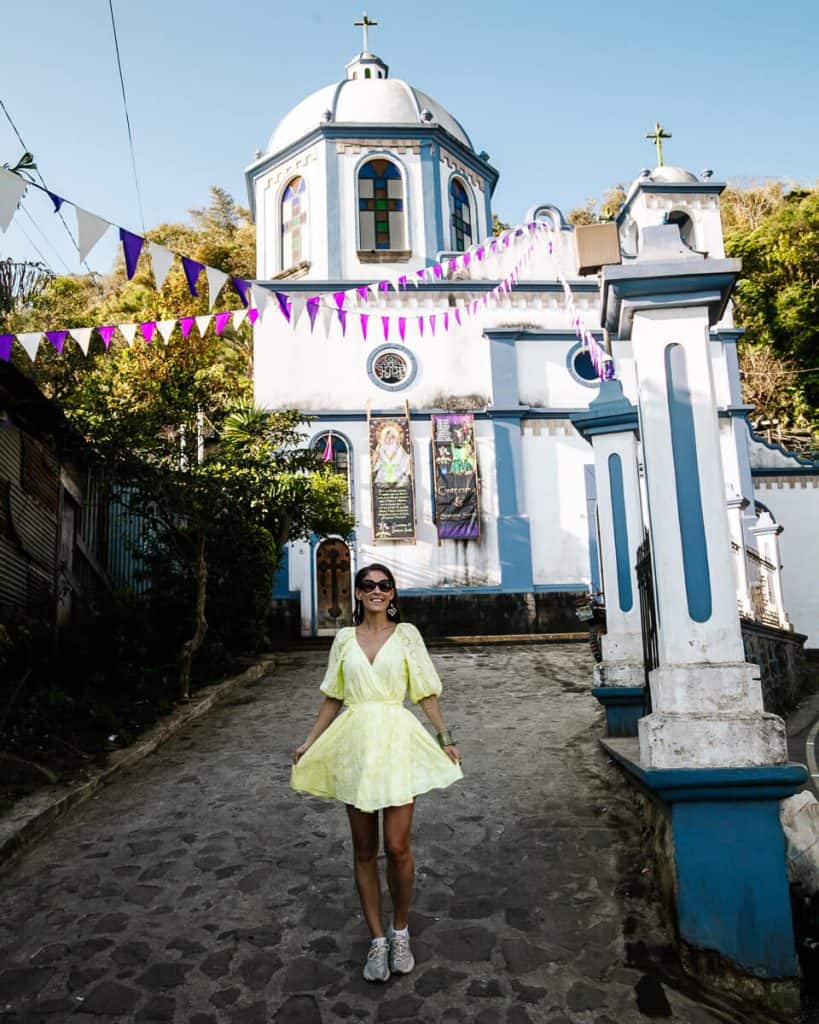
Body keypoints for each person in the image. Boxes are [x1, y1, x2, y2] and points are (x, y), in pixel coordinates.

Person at [291, 564, 462, 982]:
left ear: (393, 593)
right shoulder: (345, 640)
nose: (377, 591)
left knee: (398, 845)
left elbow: (424, 690)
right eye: (368, 585)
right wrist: (310, 740)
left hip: (396, 740)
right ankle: (377, 940)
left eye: (384, 585)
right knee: (364, 848)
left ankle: (399, 929)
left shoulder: (407, 636)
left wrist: (444, 736)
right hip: (355, 745)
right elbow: (334, 695)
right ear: (357, 592)